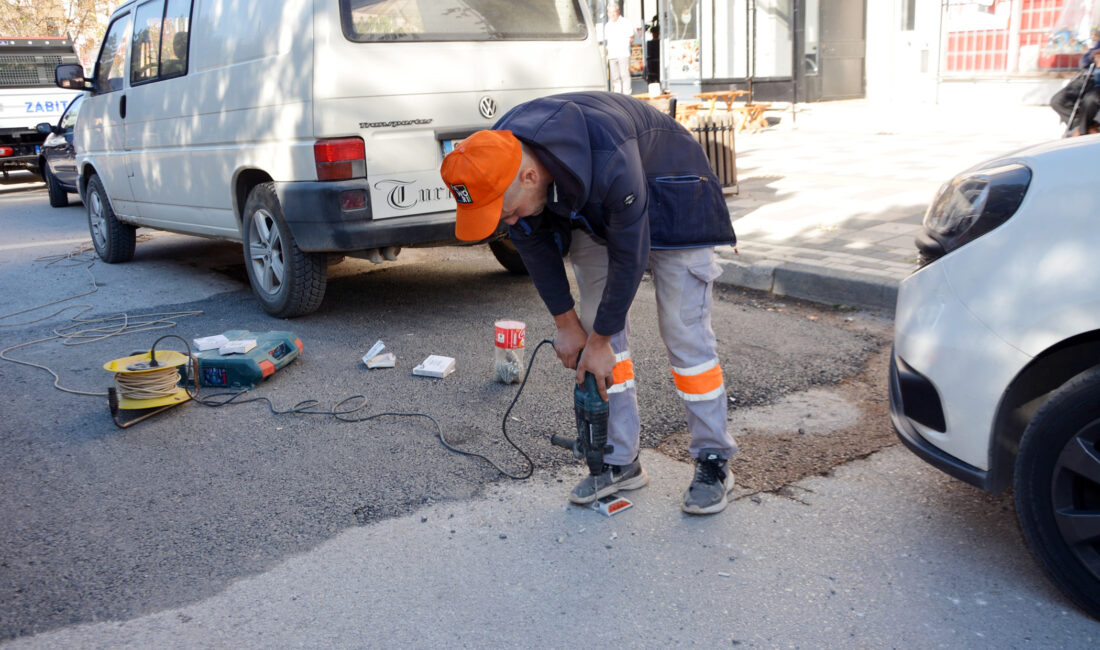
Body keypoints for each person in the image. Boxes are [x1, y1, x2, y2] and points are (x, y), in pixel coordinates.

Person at [439, 92, 739, 515]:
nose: (507, 222)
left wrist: (597, 340)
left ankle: (714, 457)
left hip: (674, 195)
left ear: (528, 177)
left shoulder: (606, 149)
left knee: (683, 335)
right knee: (598, 330)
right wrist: (568, 325)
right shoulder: (498, 155)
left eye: (506, 212)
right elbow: (533, 244)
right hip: (594, 207)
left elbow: (630, 255)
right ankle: (619, 459)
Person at [1050, 43, 1100, 137]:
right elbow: (1083, 61)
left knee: (1090, 99)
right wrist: (1093, 56)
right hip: (1090, 77)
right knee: (1057, 100)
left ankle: (1082, 132)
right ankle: (1088, 127)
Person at [603, 2, 635, 94]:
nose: (612, 14)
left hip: (623, 53)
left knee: (625, 75)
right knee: (615, 77)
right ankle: (617, 95)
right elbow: (607, 41)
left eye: (614, 12)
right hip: (612, 55)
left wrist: (624, 45)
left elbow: (631, 37)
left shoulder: (625, 22)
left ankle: (627, 95)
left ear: (618, 11)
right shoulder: (607, 25)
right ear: (607, 13)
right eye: (610, 12)